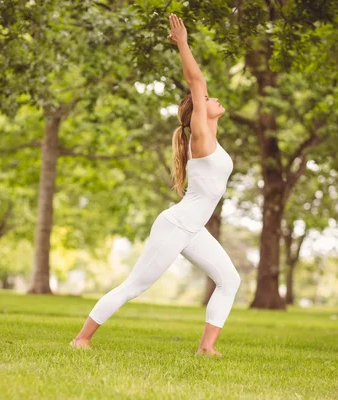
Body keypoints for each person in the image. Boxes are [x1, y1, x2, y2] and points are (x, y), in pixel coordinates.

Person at [70, 13, 240, 356]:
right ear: (198, 113)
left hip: (194, 229)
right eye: (208, 98)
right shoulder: (201, 136)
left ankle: (207, 348)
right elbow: (196, 80)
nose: (213, 98)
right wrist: (183, 44)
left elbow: (201, 89)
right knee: (135, 286)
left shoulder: (212, 138)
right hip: (176, 225)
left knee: (230, 280)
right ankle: (81, 339)